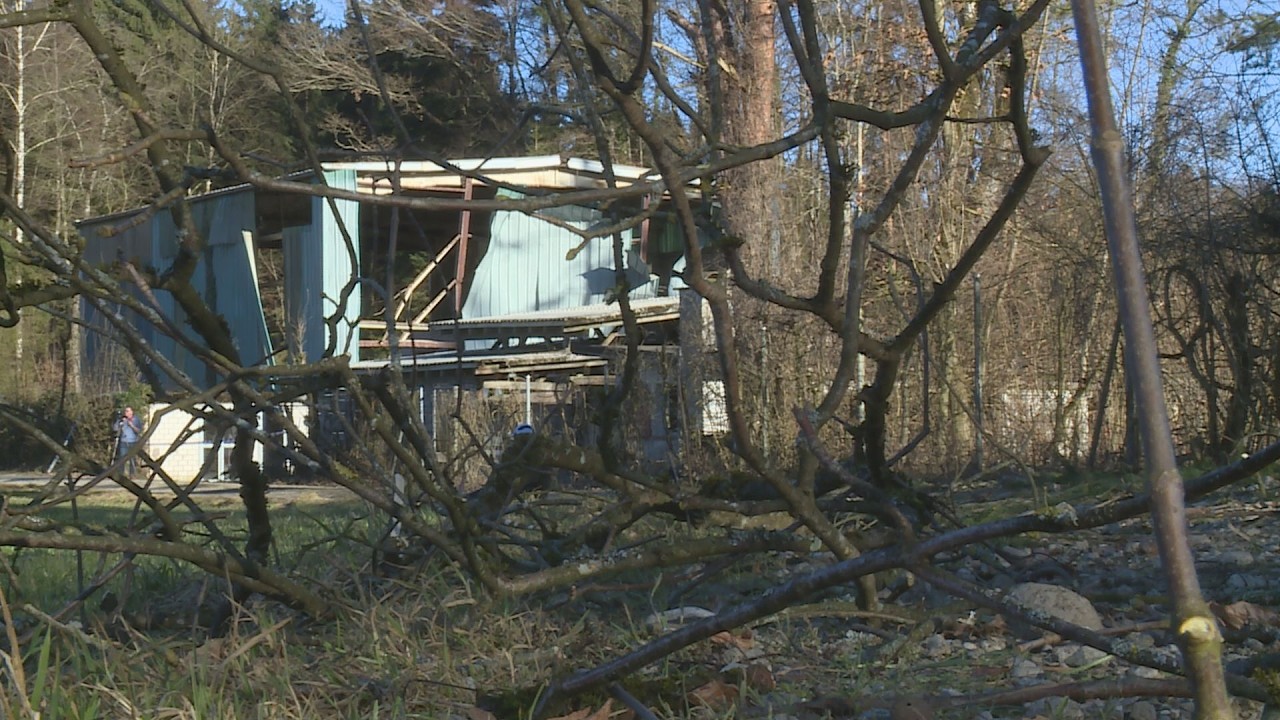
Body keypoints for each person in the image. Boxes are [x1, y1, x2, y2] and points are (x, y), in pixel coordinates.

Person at [113, 406, 143, 477]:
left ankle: (132, 474)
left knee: (132, 458)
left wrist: (131, 425)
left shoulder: (136, 419)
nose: (126, 413)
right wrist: (119, 422)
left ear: (132, 412)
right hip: (123, 441)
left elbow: (138, 431)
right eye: (125, 411)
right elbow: (115, 429)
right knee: (122, 458)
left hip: (133, 441)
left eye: (127, 411)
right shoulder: (122, 419)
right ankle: (121, 474)